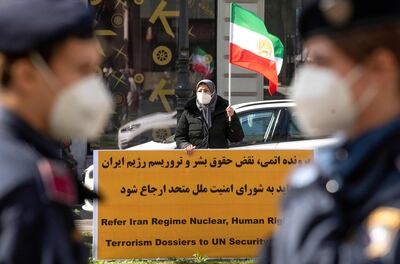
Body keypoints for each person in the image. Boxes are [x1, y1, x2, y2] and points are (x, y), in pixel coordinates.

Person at [258, 0, 400, 263]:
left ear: (380, 69)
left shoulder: (316, 183)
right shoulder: (337, 167)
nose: (308, 78)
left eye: (322, 63)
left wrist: (311, 196)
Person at [0, 0, 113, 263]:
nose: (92, 86)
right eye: (82, 70)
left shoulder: (29, 160)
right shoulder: (24, 189)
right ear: (27, 75)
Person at [175, 79, 244, 154]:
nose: (202, 93)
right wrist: (185, 145)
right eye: (200, 91)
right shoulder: (189, 111)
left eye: (206, 90)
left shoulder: (224, 110)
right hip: (196, 159)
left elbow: (237, 138)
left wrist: (233, 118)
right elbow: (179, 137)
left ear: (213, 92)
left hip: (219, 158)